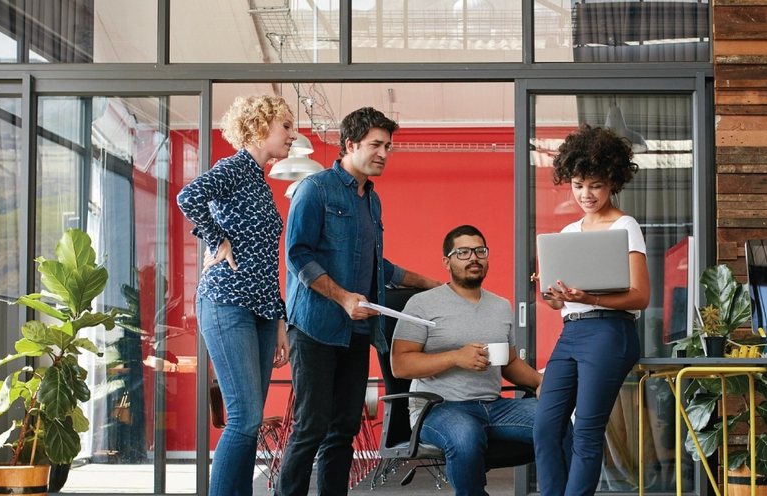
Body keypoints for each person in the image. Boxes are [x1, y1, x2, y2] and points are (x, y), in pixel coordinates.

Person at [276, 107, 441, 496]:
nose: (384, 153)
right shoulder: (314, 189)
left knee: (345, 427)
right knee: (311, 425)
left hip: (356, 330)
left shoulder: (372, 200)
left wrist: (428, 283)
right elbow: (297, 254)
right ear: (350, 145)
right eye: (376, 145)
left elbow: (372, 263)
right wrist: (343, 297)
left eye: (388, 146)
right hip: (315, 326)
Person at [175, 94, 295, 496]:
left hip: (261, 309)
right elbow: (187, 197)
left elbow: (265, 259)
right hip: (227, 303)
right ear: (260, 127)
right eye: (286, 126)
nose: (293, 135)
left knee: (251, 417)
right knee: (244, 417)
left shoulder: (260, 180)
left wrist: (279, 321)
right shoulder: (234, 168)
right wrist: (217, 239)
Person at [533, 124, 651, 496]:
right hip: (573, 331)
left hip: (610, 332)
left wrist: (592, 299)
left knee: (586, 430)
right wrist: (556, 299)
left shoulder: (625, 226)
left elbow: (640, 296)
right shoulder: (568, 234)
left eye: (596, 185)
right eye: (579, 184)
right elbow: (564, 302)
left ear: (612, 182)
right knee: (545, 427)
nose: (586, 194)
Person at [390, 224, 544, 496]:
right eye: (463, 252)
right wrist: (456, 357)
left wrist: (542, 382)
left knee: (556, 421)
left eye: (479, 251)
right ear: (446, 262)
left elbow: (507, 363)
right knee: (466, 437)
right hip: (437, 408)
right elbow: (400, 365)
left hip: (494, 407)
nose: (474, 257)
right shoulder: (422, 303)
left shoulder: (500, 305)